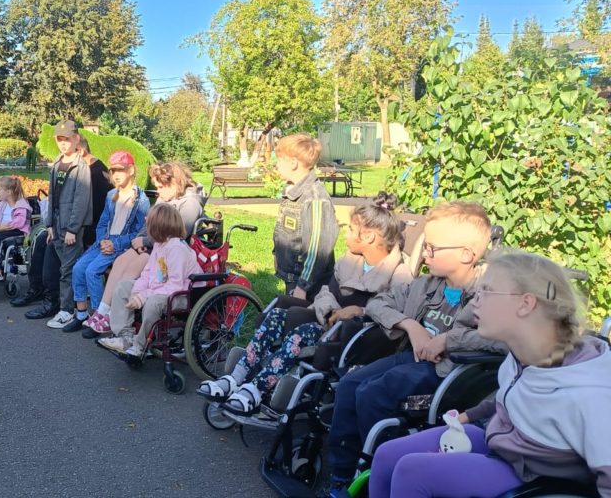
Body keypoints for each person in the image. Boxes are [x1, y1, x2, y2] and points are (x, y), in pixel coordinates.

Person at [368, 250, 611, 498]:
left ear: (525, 304)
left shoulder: (591, 393)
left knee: (412, 472)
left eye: (487, 291)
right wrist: (470, 415)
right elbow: (514, 400)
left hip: (535, 474)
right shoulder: (520, 357)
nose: (475, 301)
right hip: (502, 441)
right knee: (387, 455)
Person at [320, 201, 503, 497]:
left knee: (372, 393)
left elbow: (500, 337)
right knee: (349, 384)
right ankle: (341, 473)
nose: (424, 253)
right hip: (412, 360)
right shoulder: (426, 285)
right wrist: (409, 324)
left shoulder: (490, 293)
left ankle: (377, 470)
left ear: (467, 254)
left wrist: (449, 339)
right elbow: (379, 302)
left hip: (450, 374)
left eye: (432, 248)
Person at [198, 192, 412, 415]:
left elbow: (392, 314)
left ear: (368, 237)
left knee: (300, 334)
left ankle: (257, 389)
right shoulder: (350, 260)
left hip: (353, 335)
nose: (345, 234)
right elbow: (327, 291)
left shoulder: (399, 274)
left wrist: (358, 311)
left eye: (350, 229)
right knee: (275, 316)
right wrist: (331, 309)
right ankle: (235, 378)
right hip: (327, 319)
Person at [83, 162, 205, 338]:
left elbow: (176, 234)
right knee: (120, 262)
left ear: (175, 183)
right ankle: (103, 310)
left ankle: (114, 315)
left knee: (132, 269)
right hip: (154, 244)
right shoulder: (166, 197)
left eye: (161, 187)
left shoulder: (190, 204)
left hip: (167, 249)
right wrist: (138, 240)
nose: (159, 192)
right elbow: (150, 222)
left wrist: (145, 241)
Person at [98, 203, 202, 358]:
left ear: (158, 227)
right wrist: (137, 293)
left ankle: (140, 345)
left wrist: (143, 296)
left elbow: (174, 285)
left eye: (149, 223)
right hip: (161, 288)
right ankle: (125, 337)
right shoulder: (160, 246)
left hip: (182, 295)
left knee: (153, 302)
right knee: (123, 287)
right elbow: (147, 274)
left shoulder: (177, 249)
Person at [62, 150, 149, 333]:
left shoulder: (140, 200)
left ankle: (99, 317)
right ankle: (81, 314)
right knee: (78, 268)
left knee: (92, 271)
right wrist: (103, 240)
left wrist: (115, 244)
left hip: (121, 245)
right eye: (112, 171)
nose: (116, 175)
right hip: (105, 242)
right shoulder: (111, 195)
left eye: (120, 170)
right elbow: (102, 223)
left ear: (131, 170)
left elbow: (138, 232)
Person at [25, 121, 92, 324]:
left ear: (76, 139)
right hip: (57, 224)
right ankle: (66, 305)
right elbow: (52, 196)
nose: (63, 144)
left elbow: (81, 200)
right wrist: (50, 225)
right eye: (60, 140)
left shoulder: (81, 167)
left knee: (68, 270)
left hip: (71, 227)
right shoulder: (57, 163)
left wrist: (73, 228)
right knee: (61, 267)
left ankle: (68, 310)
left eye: (67, 139)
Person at [272, 133, 339, 304]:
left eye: (279, 160)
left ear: (293, 163)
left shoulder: (315, 198)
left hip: (309, 286)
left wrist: (303, 286)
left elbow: (318, 249)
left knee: (299, 324)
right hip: (292, 278)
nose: (276, 164)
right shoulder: (292, 192)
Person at [77, 136, 114, 248]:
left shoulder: (95, 174)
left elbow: (96, 208)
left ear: (81, 151)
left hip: (93, 234)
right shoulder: (95, 169)